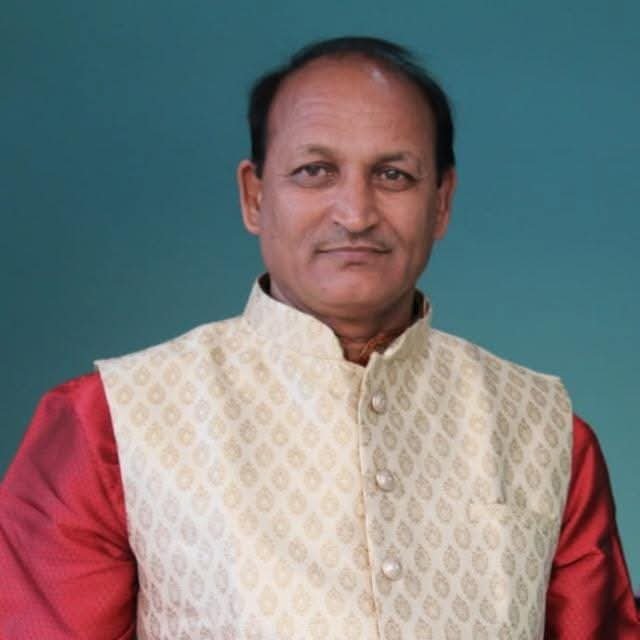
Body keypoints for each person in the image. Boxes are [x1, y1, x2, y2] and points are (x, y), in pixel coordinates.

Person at [1, 36, 638, 640]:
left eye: (394, 175)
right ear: (254, 197)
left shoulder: (543, 432)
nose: (355, 214)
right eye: (314, 171)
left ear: (442, 202)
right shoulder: (109, 426)